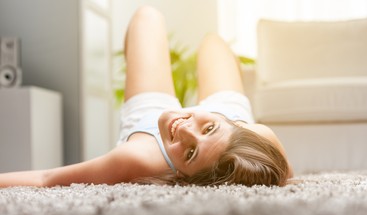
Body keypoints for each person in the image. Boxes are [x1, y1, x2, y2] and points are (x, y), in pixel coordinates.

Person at [0, 6, 292, 188]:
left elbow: (46, 179)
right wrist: (209, 134)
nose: (185, 129)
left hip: (149, 121)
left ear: (182, 176)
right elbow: (283, 172)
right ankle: (207, 139)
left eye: (190, 152)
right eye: (208, 128)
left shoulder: (136, 158)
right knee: (213, 42)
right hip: (228, 113)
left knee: (147, 16)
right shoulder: (260, 135)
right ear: (231, 125)